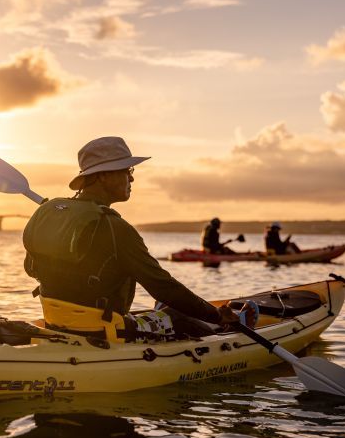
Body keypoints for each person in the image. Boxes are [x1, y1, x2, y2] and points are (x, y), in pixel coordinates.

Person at [22, 136, 253, 343]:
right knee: (177, 316)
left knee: (165, 309)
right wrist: (216, 314)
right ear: (103, 176)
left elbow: (31, 269)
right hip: (104, 332)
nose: (131, 179)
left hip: (57, 322)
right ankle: (230, 324)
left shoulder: (49, 214)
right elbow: (163, 287)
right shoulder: (116, 228)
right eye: (127, 171)